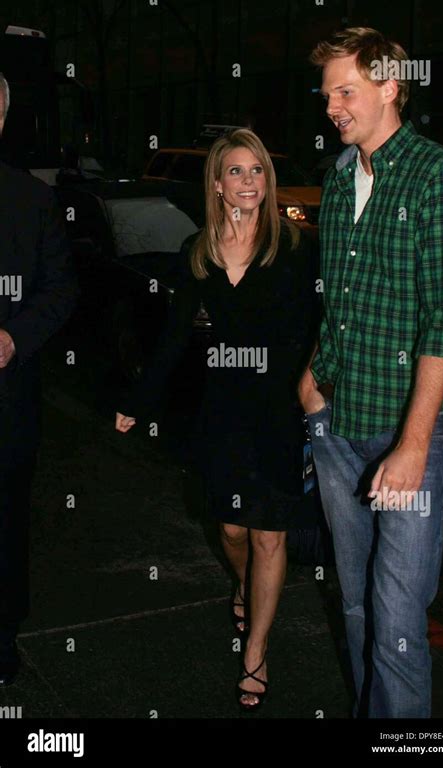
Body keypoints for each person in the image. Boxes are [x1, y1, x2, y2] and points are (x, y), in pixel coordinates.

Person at [299, 26, 443, 718]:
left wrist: (413, 444)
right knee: (355, 603)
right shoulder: (341, 180)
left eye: (346, 90)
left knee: (397, 619)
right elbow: (338, 298)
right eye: (328, 94)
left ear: (390, 85)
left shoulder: (441, 174)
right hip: (337, 424)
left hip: (410, 434)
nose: (333, 106)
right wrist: (312, 379)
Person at [116, 128, 319, 710]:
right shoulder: (197, 253)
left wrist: (316, 383)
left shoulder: (296, 247)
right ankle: (242, 586)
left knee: (270, 535)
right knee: (232, 530)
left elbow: (318, 328)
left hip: (278, 411)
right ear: (217, 183)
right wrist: (139, 402)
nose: (249, 181)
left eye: (257, 170)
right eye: (236, 171)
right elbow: (175, 339)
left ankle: (255, 650)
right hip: (223, 410)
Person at [0, 73, 78, 685]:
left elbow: (61, 290)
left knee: (4, 524)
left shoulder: (32, 200)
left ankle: (1, 638)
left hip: (7, 403)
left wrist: (15, 337)